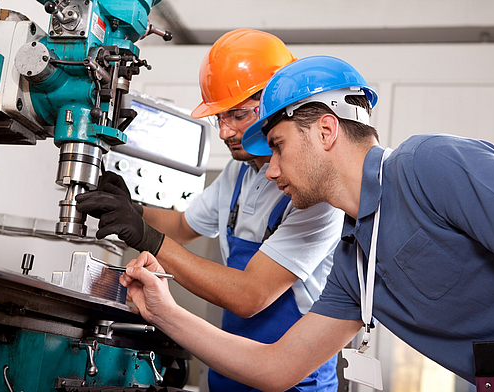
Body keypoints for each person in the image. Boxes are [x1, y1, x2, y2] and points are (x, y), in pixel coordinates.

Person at [117, 55, 494, 391]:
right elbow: (278, 368)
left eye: (277, 146)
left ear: (325, 130)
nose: (271, 170)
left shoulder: (431, 164)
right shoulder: (356, 258)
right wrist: (164, 311)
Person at [76, 34, 344, 391]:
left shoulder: (316, 194)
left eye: (236, 114)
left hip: (294, 381)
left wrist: (147, 238)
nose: (224, 132)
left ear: (277, 104)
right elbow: (183, 226)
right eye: (219, 117)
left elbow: (250, 296)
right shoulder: (239, 172)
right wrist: (132, 209)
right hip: (232, 369)